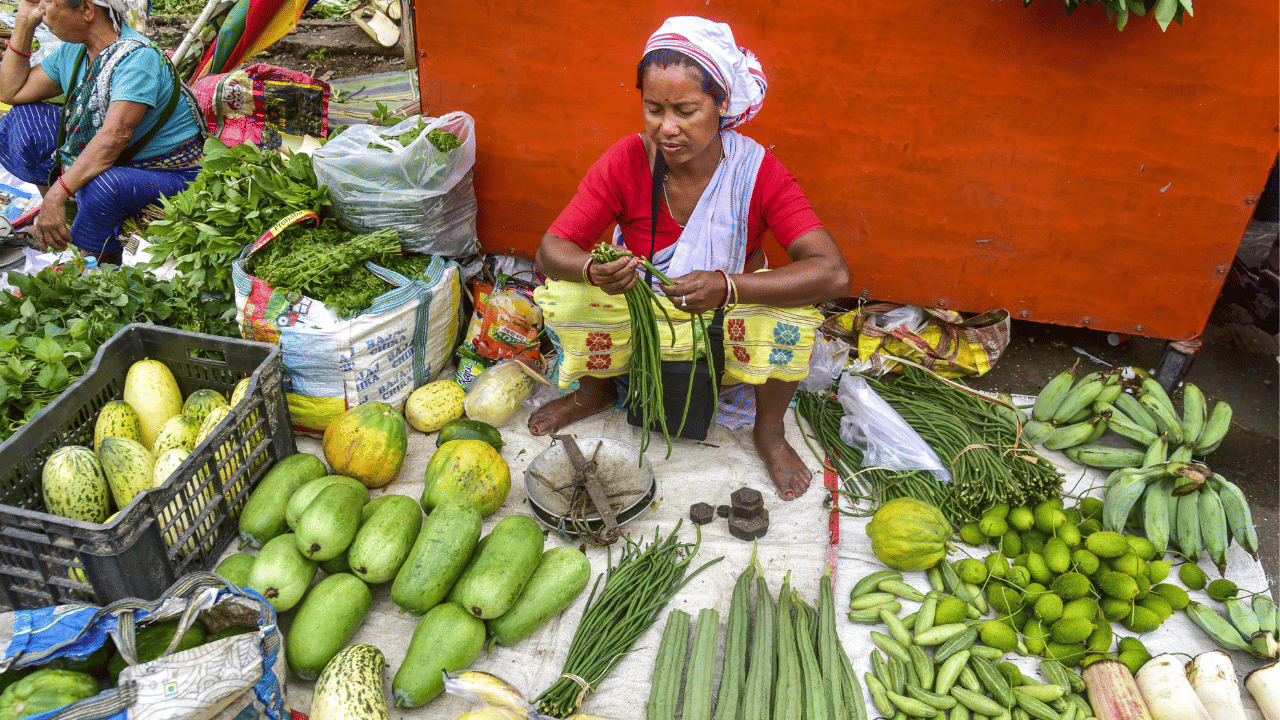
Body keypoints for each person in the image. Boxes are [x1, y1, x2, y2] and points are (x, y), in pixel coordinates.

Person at [528, 16, 852, 500]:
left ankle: (769, 432)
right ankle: (596, 391)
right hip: (641, 309)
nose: (667, 128)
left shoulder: (755, 171)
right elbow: (550, 250)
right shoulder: (626, 160)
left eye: (686, 110)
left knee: (789, 316)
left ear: (721, 105)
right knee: (570, 297)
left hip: (720, 318)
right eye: (653, 109)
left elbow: (833, 272)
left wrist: (729, 287)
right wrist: (595, 272)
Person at [0, 0, 204, 262]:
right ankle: (60, 228)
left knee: (105, 185)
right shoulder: (74, 53)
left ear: (86, 9)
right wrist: (24, 23)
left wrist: (56, 195)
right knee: (24, 122)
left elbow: (113, 139)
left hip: (169, 174)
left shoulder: (138, 59)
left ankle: (93, 259)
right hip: (117, 159)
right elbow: (11, 92)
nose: (42, 8)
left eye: (50, 2)